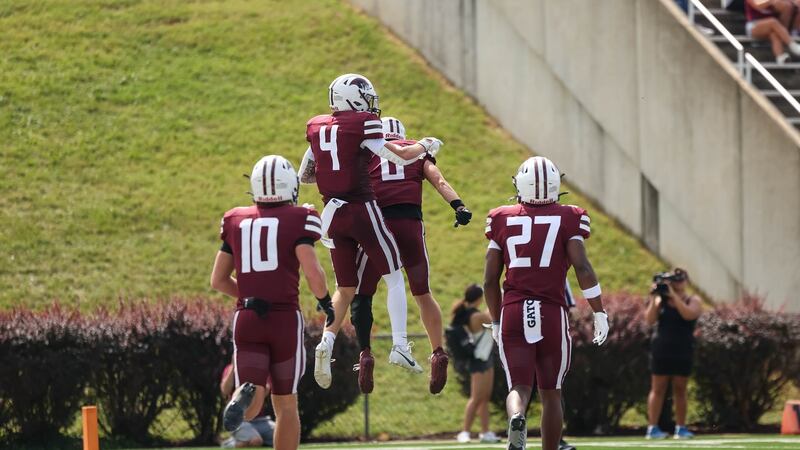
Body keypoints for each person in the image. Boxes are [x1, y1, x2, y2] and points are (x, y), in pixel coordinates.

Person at [297, 73, 443, 390]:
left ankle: (327, 342)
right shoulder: (363, 124)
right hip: (360, 209)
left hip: (331, 215)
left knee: (345, 287)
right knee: (393, 276)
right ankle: (401, 345)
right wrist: (424, 144)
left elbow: (305, 175)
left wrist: (338, 163)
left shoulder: (317, 127)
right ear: (353, 98)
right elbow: (399, 155)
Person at [483, 156, 610, 450]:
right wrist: (599, 311)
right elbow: (583, 268)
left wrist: (497, 319)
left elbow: (490, 279)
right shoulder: (569, 216)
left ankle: (517, 417)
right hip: (551, 312)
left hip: (514, 310)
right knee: (551, 392)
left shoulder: (502, 217)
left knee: (519, 387)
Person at [210, 155, 330, 450]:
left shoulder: (235, 220)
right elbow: (313, 272)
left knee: (251, 404)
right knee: (286, 404)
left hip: (248, 317)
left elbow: (218, 280)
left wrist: (249, 296)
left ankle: (245, 393)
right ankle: (251, 395)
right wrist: (325, 301)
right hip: (284, 319)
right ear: (288, 185)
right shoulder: (299, 218)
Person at [348, 116, 471, 394]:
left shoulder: (369, 153)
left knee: (362, 294)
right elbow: (439, 180)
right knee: (422, 293)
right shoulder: (416, 151)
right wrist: (459, 205)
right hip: (410, 226)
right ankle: (438, 352)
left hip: (377, 226)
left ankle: (365, 354)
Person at [644, 268, 703, 440]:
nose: (678, 283)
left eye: (680, 279)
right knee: (658, 388)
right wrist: (654, 297)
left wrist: (674, 296)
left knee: (680, 389)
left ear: (686, 281)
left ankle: (681, 427)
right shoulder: (660, 300)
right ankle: (652, 428)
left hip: (683, 348)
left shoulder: (693, 299)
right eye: (674, 280)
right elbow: (649, 320)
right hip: (662, 348)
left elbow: (689, 314)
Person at [451, 284, 500, 444]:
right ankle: (464, 432)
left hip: (485, 359)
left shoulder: (475, 314)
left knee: (484, 398)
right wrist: (499, 297)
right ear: (479, 299)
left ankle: (485, 432)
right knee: (476, 398)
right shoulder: (476, 317)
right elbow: (493, 318)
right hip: (478, 359)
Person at [220, 363, 275, 448]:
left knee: (284, 436)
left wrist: (255, 372)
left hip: (261, 420)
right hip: (239, 421)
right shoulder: (230, 368)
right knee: (256, 441)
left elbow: (265, 391)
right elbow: (225, 391)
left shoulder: (262, 368)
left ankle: (244, 440)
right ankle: (229, 444)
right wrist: (234, 367)